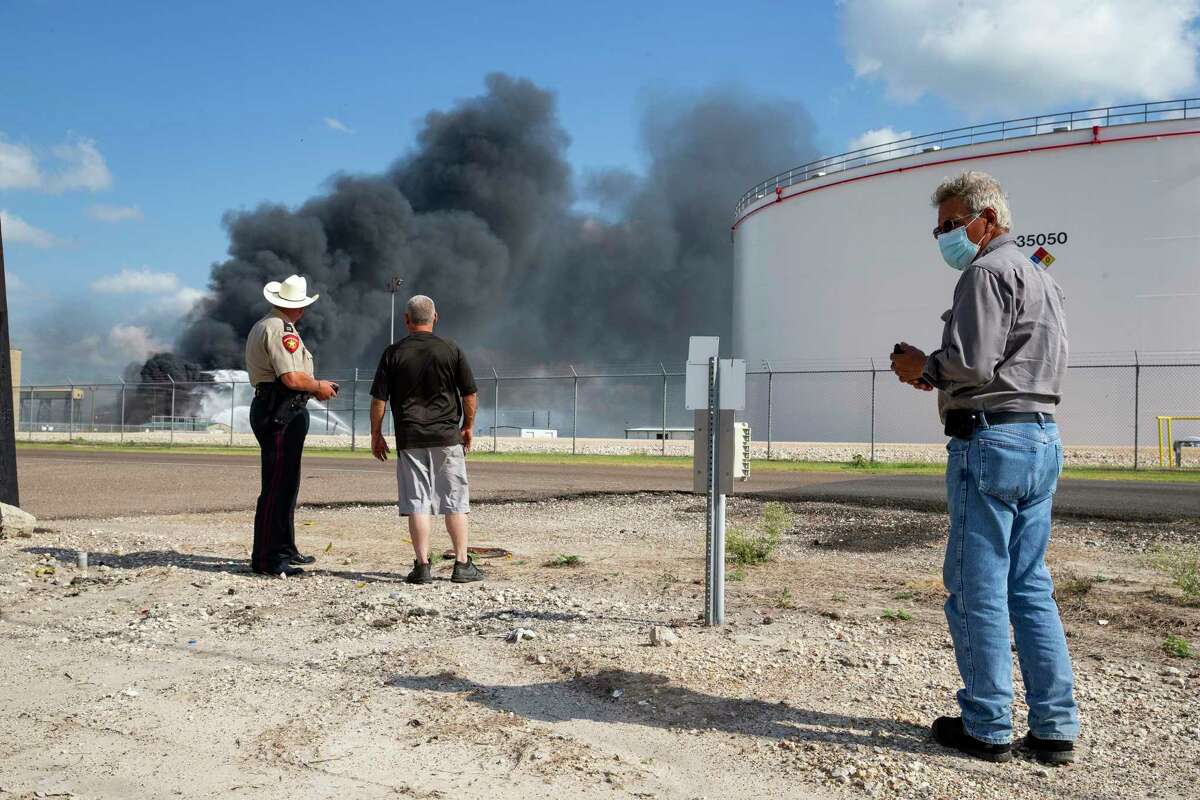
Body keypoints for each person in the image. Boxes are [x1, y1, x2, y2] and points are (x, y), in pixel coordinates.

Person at [890, 171, 1078, 765]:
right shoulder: (1041, 278)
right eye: (939, 228)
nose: (944, 235)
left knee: (977, 589)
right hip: (1040, 437)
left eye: (951, 224)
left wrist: (924, 365)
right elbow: (1006, 364)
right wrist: (942, 374)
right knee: (1029, 587)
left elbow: (971, 365)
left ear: (986, 220)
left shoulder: (986, 273)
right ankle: (1054, 726)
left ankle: (988, 725)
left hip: (990, 441)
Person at [369, 294, 483, 584]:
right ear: (435, 317)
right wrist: (468, 426)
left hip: (410, 437)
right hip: (447, 435)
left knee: (417, 501)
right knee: (454, 499)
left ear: (406, 320)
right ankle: (461, 564)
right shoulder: (451, 349)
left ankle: (422, 566)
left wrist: (376, 433)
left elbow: (379, 399)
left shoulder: (392, 353)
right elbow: (469, 394)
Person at [244, 274, 339, 577]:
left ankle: (283, 548)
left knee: (285, 483)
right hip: (281, 408)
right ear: (296, 308)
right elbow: (292, 378)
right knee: (276, 486)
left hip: (279, 407)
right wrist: (318, 386)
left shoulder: (266, 325)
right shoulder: (282, 330)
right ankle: (267, 559)